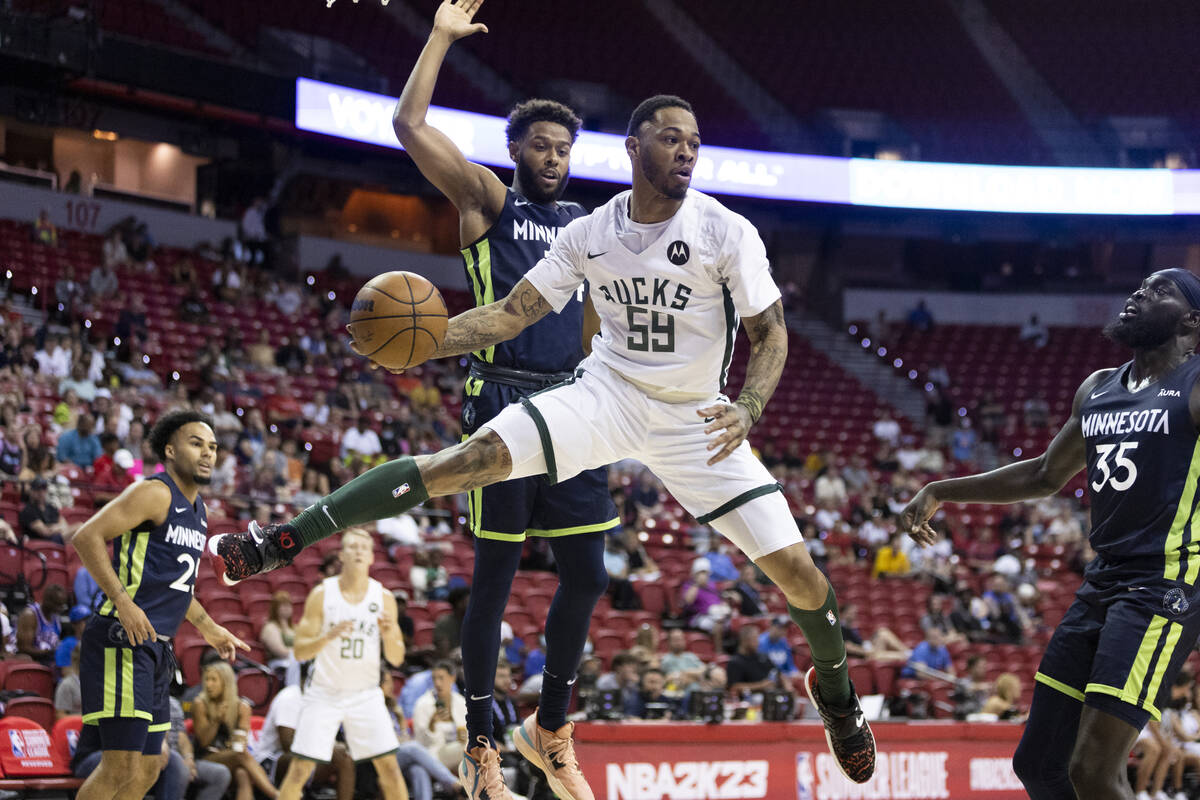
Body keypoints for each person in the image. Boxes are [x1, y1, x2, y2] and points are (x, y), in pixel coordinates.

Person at [212, 93, 876, 784]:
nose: (686, 150)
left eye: (694, 141)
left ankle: (836, 693)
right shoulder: (590, 232)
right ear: (634, 148)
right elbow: (509, 315)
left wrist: (749, 406)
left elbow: (771, 333)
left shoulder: (725, 230)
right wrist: (426, 343)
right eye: (671, 138)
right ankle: (283, 538)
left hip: (697, 417)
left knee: (799, 574)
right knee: (468, 460)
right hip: (609, 394)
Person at [389, 4, 620, 798]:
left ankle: (548, 726)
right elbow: (408, 125)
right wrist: (440, 39)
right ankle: (481, 741)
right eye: (541, 145)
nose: (553, 157)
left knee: (588, 573)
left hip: (574, 408)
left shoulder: (586, 225)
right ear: (516, 149)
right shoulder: (490, 201)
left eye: (564, 148)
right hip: (503, 404)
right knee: (494, 578)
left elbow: (592, 322)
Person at [901, 269, 1200, 800]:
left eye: (1161, 290)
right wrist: (943, 489)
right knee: (1038, 765)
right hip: (1102, 582)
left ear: (1191, 321)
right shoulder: (1099, 387)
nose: (1140, 292)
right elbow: (1043, 474)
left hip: (1162, 586)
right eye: (1141, 284)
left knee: (1094, 771)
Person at [70, 409, 248, 800]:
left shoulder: (199, 511)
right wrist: (122, 601)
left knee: (150, 767)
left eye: (212, 446)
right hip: (122, 638)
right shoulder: (155, 492)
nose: (207, 453)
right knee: (120, 766)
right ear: (170, 449)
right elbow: (86, 537)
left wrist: (209, 627)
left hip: (156, 647)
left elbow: (176, 587)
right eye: (196, 443)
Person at [276, 528, 407, 800]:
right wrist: (327, 636)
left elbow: (397, 658)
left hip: (365, 694)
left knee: (390, 770)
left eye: (364, 547)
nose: (358, 551)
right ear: (342, 556)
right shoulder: (322, 595)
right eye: (352, 547)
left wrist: (389, 634)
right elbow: (299, 652)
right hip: (325, 693)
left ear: (372, 557)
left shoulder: (384, 598)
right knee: (300, 770)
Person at [193, 661, 278, 800]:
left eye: (214, 680)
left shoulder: (242, 707)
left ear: (226, 682)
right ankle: (276, 795)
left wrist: (239, 737)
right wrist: (216, 721)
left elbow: (241, 742)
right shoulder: (200, 704)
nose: (208, 684)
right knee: (240, 755)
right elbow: (204, 742)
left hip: (232, 755)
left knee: (242, 773)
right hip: (206, 757)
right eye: (206, 679)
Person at [255, 684, 354, 800]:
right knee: (305, 759)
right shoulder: (289, 697)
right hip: (270, 759)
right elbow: (287, 744)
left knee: (344, 755)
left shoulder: (322, 701)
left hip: (306, 753)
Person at [413, 659, 469, 770]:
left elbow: (469, 731)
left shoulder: (461, 701)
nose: (437, 683)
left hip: (459, 748)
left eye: (441, 678)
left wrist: (464, 736)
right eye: (434, 678)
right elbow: (420, 742)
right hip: (434, 752)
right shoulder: (422, 704)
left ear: (452, 678)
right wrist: (431, 725)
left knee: (473, 748)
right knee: (471, 751)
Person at [16, 582, 66, 665]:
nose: (59, 608)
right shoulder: (30, 615)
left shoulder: (55, 617)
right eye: (57, 604)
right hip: (31, 660)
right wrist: (48, 653)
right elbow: (23, 648)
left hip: (49, 660)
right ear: (47, 600)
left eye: (61, 605)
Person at [19, 476, 74, 543]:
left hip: (58, 538)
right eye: (38, 489)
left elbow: (65, 525)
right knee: (78, 528)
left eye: (44, 488)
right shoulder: (28, 510)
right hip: (42, 542)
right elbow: (45, 532)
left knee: (78, 530)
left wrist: (53, 528)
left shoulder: (51, 507)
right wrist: (59, 527)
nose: (41, 492)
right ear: (32, 491)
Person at [259, 590, 295, 665]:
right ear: (275, 608)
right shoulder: (270, 627)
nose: (287, 608)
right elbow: (281, 652)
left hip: (295, 660)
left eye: (288, 605)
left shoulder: (294, 627)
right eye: (283, 605)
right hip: (280, 664)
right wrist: (302, 652)